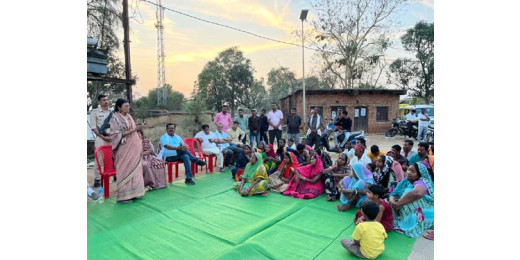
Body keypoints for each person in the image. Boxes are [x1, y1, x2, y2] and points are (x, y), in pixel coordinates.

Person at [109, 98, 148, 203]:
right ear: (119, 107)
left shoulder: (129, 117)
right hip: (123, 148)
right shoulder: (114, 118)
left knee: (135, 170)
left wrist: (139, 130)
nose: (128, 108)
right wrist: (135, 129)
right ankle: (124, 196)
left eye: (128, 106)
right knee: (124, 170)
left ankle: (135, 193)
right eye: (125, 106)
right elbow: (115, 134)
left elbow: (134, 130)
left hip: (134, 148)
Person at [389, 162, 434, 238]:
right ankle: (403, 219)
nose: (409, 173)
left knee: (412, 198)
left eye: (413, 172)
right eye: (408, 170)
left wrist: (399, 203)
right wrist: (393, 202)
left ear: (419, 174)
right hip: (399, 207)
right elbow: (393, 194)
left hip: (425, 212)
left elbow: (417, 193)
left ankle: (411, 222)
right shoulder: (406, 181)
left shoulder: (422, 181)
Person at [90, 94, 112, 187]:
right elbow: (94, 127)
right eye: (103, 100)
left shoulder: (112, 112)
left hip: (111, 138)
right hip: (101, 138)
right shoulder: (94, 112)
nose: (106, 101)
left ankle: (114, 174)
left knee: (113, 157)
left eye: (107, 100)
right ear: (99, 101)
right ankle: (97, 179)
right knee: (99, 159)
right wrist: (103, 137)